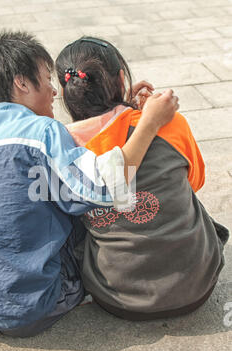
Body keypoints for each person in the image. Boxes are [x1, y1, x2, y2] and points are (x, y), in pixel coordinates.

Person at [0, 31, 179, 337]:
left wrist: (120, 109)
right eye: (46, 78)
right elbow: (105, 186)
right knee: (80, 214)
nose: (53, 91)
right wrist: (149, 121)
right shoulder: (43, 131)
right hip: (26, 308)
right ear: (22, 83)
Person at [55, 36, 229, 320]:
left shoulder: (65, 147)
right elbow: (194, 181)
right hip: (197, 286)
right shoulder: (170, 123)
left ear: (66, 92)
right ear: (121, 78)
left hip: (116, 297)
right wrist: (131, 114)